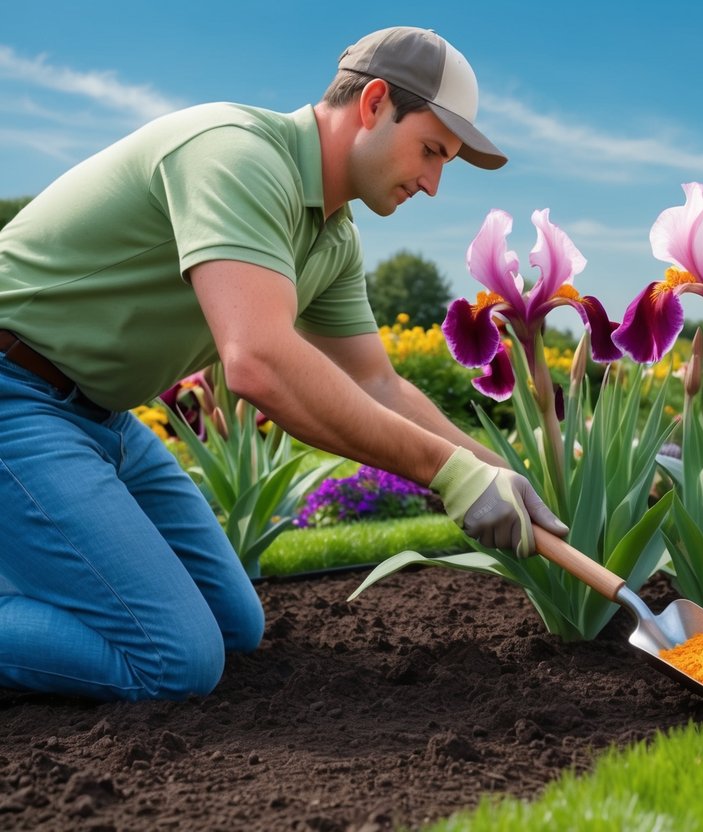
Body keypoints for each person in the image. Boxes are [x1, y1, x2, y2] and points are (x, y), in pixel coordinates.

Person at [0, 26, 568, 702]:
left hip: (101, 420)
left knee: (234, 626)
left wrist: (496, 474)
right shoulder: (234, 154)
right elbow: (259, 364)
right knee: (172, 662)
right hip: (16, 395)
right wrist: (447, 474)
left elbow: (375, 382)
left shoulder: (331, 238)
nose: (433, 183)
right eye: (430, 151)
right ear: (374, 102)